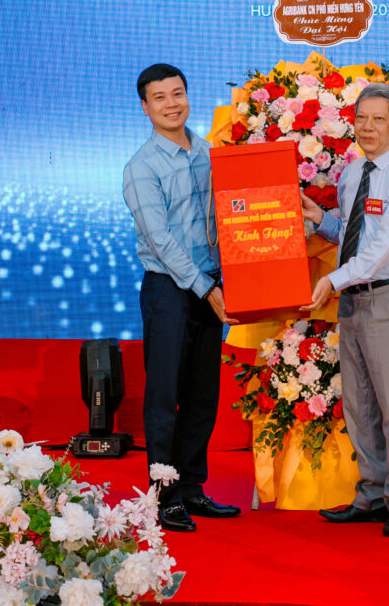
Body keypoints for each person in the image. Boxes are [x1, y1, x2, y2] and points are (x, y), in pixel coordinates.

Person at [300, 82, 389, 538]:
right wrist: (321, 220)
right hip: (354, 299)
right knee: (360, 407)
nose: (368, 127)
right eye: (361, 118)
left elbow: (383, 247)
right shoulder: (354, 173)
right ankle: (372, 496)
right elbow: (353, 235)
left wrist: (331, 281)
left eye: (379, 119)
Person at [123, 63, 240, 532]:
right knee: (165, 396)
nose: (172, 104)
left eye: (178, 94)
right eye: (160, 97)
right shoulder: (141, 167)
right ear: (145, 107)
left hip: (210, 284)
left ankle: (192, 487)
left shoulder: (209, 153)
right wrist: (207, 289)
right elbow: (161, 241)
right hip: (169, 290)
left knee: (202, 394)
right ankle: (165, 495)